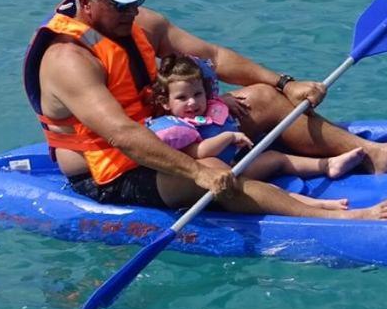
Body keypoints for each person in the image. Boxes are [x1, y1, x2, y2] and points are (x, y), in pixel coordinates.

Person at [22, 0, 387, 220]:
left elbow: (213, 59)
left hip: (166, 130)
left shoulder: (139, 24)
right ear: (86, 0)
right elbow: (123, 135)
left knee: (260, 99)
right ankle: (333, 217)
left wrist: (285, 83)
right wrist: (197, 172)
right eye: (119, 3)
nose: (132, 11)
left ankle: (375, 155)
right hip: (110, 171)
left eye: (135, 1)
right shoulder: (68, 59)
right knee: (217, 169)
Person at [146, 54, 365, 210]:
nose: (192, 102)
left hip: (237, 164)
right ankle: (320, 205)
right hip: (219, 176)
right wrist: (229, 137)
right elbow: (200, 151)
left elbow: (211, 98)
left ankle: (328, 165)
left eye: (198, 94)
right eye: (182, 98)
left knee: (276, 158)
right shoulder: (176, 129)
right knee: (264, 189)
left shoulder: (209, 108)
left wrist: (223, 102)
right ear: (165, 103)